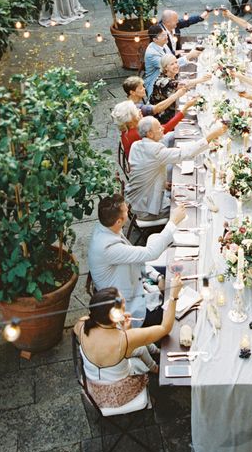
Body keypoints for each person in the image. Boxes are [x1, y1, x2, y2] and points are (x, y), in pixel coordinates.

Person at [73, 273, 184, 409]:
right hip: (116, 395)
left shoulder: (82, 324)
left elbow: (82, 331)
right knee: (141, 354)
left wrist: (122, 328)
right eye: (122, 304)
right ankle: (149, 397)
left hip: (92, 388)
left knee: (138, 352)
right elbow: (165, 328)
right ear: (113, 316)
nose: (125, 303)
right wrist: (174, 296)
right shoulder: (124, 340)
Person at [88, 193, 186, 327]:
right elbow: (150, 252)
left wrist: (158, 277)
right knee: (179, 314)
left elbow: (135, 259)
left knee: (180, 272)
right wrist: (172, 222)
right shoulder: (107, 248)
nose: (129, 209)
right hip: (130, 307)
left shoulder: (106, 227)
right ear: (119, 221)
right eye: (126, 209)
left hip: (135, 278)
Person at [127, 115, 227, 220]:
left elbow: (144, 170)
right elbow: (186, 153)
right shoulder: (155, 151)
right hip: (148, 210)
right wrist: (211, 136)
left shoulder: (136, 145)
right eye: (159, 128)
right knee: (196, 208)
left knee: (188, 192)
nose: (163, 128)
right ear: (150, 134)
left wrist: (162, 183)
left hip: (137, 202)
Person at [112, 99, 194, 159]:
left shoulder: (131, 129)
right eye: (136, 111)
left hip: (149, 154)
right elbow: (164, 129)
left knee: (175, 134)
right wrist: (184, 110)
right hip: (150, 164)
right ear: (130, 121)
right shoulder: (135, 133)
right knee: (184, 156)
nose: (140, 110)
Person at [150, 54, 210, 124]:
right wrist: (201, 79)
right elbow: (182, 84)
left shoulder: (172, 74)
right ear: (166, 68)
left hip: (172, 107)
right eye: (172, 64)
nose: (176, 65)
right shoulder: (162, 81)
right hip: (163, 118)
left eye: (176, 62)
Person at [144, 25, 198, 98]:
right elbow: (169, 65)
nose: (166, 36)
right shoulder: (152, 54)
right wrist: (189, 56)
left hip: (169, 77)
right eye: (163, 35)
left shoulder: (163, 44)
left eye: (165, 34)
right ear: (155, 39)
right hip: (157, 86)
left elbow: (172, 60)